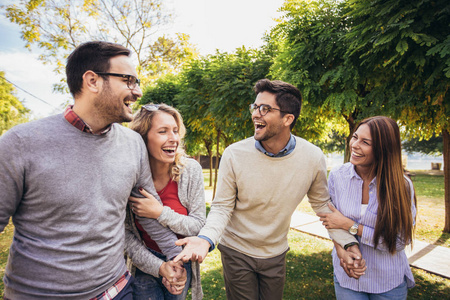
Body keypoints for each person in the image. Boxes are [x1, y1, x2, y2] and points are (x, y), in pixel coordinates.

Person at [0, 41, 185, 299]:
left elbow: (146, 213)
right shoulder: (20, 143)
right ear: (92, 81)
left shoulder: (133, 144)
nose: (138, 91)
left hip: (118, 291)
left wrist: (175, 256)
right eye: (129, 81)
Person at [174, 79, 359, 300]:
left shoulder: (312, 157)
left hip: (276, 253)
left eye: (265, 109)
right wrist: (205, 239)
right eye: (255, 107)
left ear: (287, 118)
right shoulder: (234, 154)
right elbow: (222, 207)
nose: (255, 114)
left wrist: (347, 242)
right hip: (237, 251)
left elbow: (322, 205)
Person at [318, 116, 416, 299]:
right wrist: (341, 252)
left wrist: (350, 225)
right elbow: (331, 223)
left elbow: (399, 241)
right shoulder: (337, 176)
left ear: (383, 149)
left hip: (388, 283)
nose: (354, 144)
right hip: (347, 278)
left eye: (365, 142)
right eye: (355, 137)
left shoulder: (401, 186)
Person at [125, 103, 205, 299]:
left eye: (176, 131)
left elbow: (198, 226)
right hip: (144, 263)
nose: (174, 138)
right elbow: (125, 235)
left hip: (180, 262)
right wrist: (159, 267)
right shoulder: (129, 177)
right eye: (163, 131)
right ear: (143, 138)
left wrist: (159, 212)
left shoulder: (190, 170)